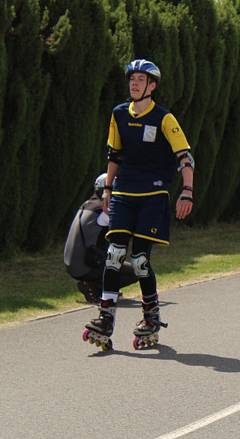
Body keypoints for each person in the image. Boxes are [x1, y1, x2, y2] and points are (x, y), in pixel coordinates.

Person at [82, 59, 195, 350]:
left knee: (141, 261)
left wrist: (187, 191)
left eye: (141, 79)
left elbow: (185, 157)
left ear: (152, 85)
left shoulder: (164, 118)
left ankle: (151, 317)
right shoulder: (119, 114)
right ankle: (105, 316)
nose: (134, 83)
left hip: (152, 196)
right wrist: (107, 189)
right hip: (122, 194)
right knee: (114, 254)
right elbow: (114, 155)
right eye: (132, 78)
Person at [64, 174, 136, 304]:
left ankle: (101, 287)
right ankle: (94, 287)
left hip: (74, 263)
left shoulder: (88, 204)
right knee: (134, 272)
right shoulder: (103, 210)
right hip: (87, 263)